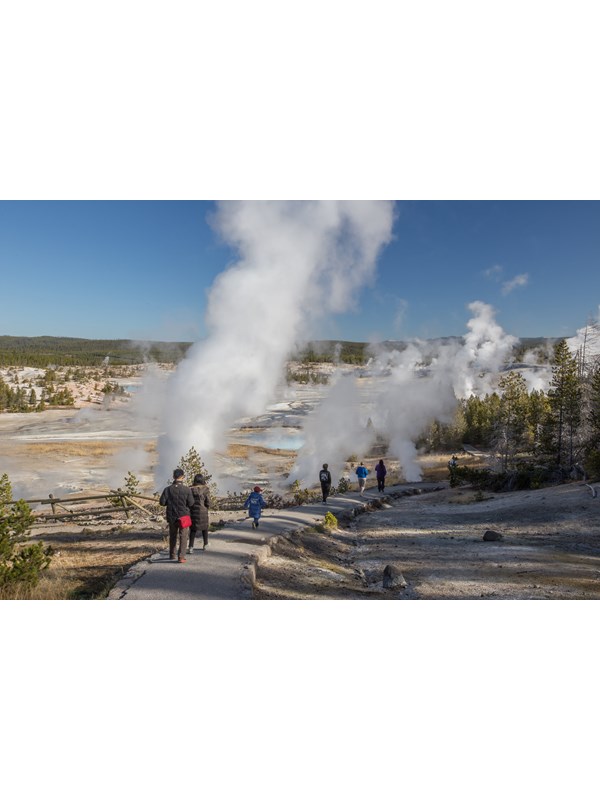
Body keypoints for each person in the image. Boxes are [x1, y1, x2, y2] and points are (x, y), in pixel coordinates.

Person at [159, 468, 194, 563]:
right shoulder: (187, 490)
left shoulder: (167, 489)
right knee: (183, 536)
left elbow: (162, 502)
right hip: (184, 516)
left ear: (173, 477)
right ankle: (181, 557)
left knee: (173, 535)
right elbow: (191, 503)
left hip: (172, 516)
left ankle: (172, 554)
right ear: (183, 477)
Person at [189, 473, 210, 553]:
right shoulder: (206, 489)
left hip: (193, 511)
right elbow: (208, 502)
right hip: (203, 511)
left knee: (193, 529)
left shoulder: (190, 489)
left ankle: (191, 547)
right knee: (205, 528)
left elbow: (189, 501)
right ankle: (205, 545)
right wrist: (207, 507)